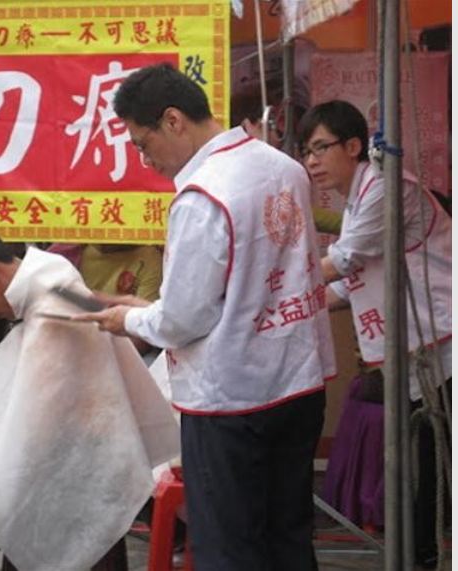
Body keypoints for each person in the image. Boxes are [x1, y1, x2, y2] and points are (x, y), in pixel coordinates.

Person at [76, 63, 336, 571]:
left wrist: (129, 320)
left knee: (228, 546)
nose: (145, 159)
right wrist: (151, 309)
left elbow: (182, 321)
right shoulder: (281, 166)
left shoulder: (202, 195)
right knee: (287, 536)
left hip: (231, 401)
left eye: (141, 143)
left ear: (173, 120)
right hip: (298, 382)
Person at [0, 229, 178, 571]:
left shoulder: (52, 309)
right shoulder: (57, 282)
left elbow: (40, 432)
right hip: (70, 457)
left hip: (72, 474)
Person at [297, 99, 452, 569]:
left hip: (443, 337)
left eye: (321, 148)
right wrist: (290, 307)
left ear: (354, 146)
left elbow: (343, 261)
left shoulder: (386, 188)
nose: (312, 162)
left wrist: (278, 288)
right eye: (307, 152)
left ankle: (422, 551)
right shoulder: (360, 197)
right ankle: (419, 552)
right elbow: (348, 284)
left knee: (431, 455)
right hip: (417, 346)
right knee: (421, 455)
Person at [47, 242, 163, 361]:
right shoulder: (64, 254)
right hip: (66, 344)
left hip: (119, 353)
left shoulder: (149, 259)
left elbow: (145, 335)